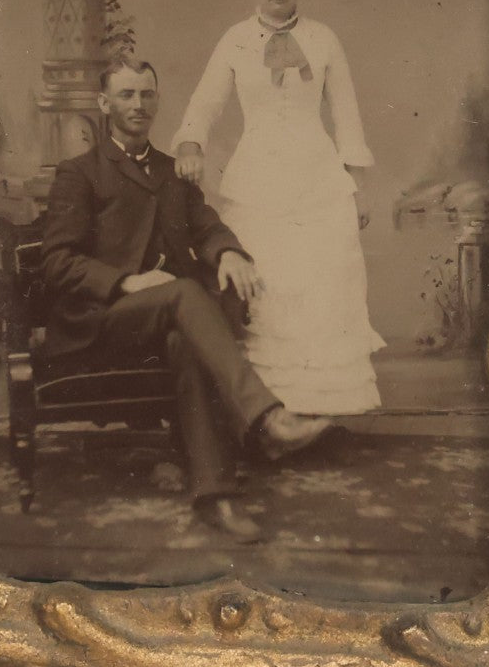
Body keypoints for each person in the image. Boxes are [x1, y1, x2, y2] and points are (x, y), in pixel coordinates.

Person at [40, 57, 331, 543]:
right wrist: (124, 283)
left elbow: (207, 225)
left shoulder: (173, 172)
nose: (139, 104)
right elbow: (56, 262)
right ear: (104, 103)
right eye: (128, 95)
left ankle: (216, 497)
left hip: (169, 318)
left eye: (147, 94)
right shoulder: (80, 173)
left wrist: (231, 253)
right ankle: (266, 419)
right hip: (103, 321)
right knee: (185, 295)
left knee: (184, 340)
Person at [173, 0, 383, 416]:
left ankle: (323, 408)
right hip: (259, 177)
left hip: (317, 177)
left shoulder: (324, 39)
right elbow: (204, 104)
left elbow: (347, 115)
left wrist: (358, 186)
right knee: (267, 282)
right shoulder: (235, 40)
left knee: (322, 280)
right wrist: (189, 142)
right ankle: (267, 410)